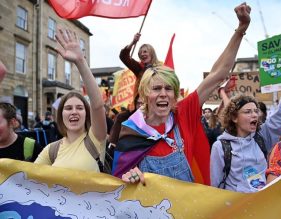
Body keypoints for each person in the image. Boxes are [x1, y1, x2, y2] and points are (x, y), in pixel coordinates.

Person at [111, 3, 252, 185]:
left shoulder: (183, 112)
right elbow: (120, 181)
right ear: (145, 95)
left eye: (168, 89)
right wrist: (130, 179)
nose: (163, 94)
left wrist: (241, 29)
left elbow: (219, 73)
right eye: (156, 89)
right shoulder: (131, 129)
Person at [210, 48, 281, 193]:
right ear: (234, 117)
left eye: (255, 111)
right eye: (247, 112)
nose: (255, 115)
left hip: (263, 206)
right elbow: (216, 187)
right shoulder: (220, 147)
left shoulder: (263, 136)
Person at [34, 28, 107, 172]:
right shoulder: (51, 150)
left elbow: (97, 105)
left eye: (80, 108)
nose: (74, 112)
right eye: (68, 108)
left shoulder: (96, 138)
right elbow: (29, 180)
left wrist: (80, 61)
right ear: (61, 114)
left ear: (87, 114)